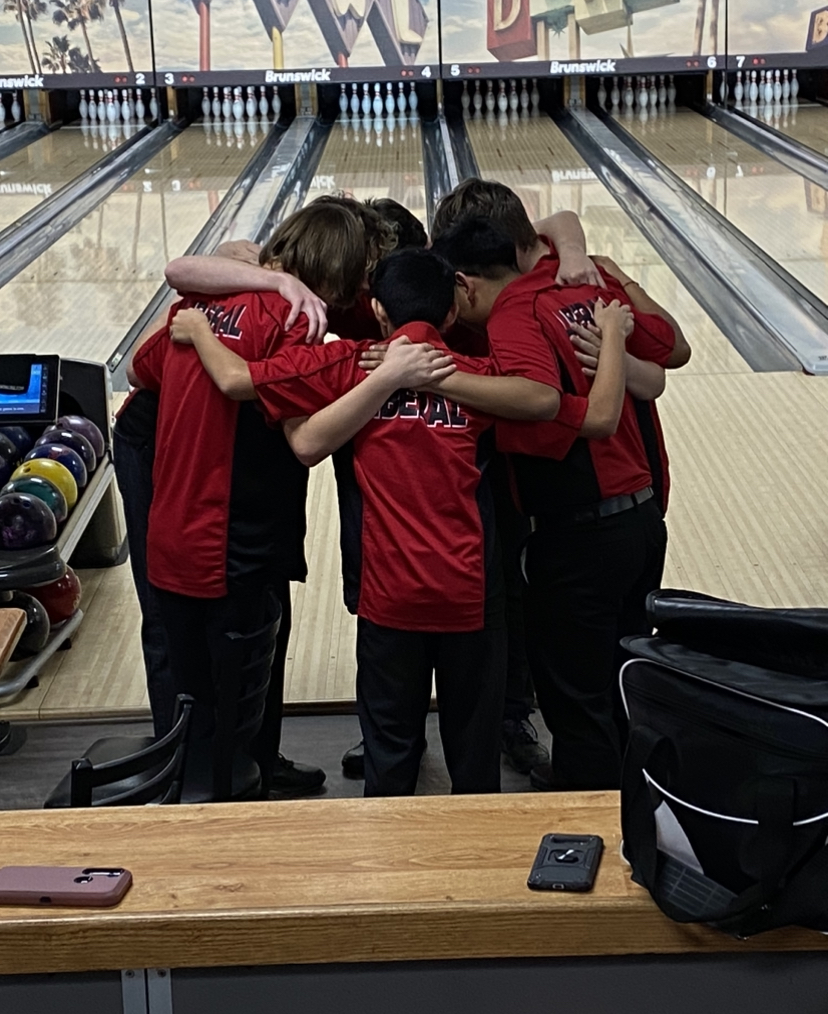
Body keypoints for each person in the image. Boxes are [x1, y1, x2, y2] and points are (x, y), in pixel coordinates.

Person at [170, 246, 583, 797]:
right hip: (470, 597)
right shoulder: (482, 379)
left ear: (378, 313)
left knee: (388, 760)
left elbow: (259, 396)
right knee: (476, 763)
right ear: (453, 314)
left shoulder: (348, 366)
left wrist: (200, 330)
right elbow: (559, 407)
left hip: (389, 600)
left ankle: (391, 874)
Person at [125, 204, 369, 798]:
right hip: (234, 537)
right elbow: (301, 431)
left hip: (177, 527)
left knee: (197, 688)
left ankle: (213, 772)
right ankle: (234, 801)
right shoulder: (301, 326)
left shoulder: (194, 312)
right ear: (334, 278)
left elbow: (138, 370)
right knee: (239, 679)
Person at [432, 216, 682, 793]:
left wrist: (435, 375)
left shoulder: (514, 323)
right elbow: (674, 347)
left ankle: (589, 823)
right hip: (642, 519)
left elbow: (561, 406)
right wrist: (601, 276)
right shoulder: (579, 285)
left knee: (578, 699)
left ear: (466, 284)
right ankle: (639, 802)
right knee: (622, 679)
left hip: (580, 540)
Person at [113, 242, 328, 740]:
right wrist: (269, 279)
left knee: (258, 598)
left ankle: (251, 758)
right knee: (168, 612)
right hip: (152, 444)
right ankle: (182, 756)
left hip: (228, 447)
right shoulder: (237, 292)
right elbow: (178, 274)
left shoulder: (294, 308)